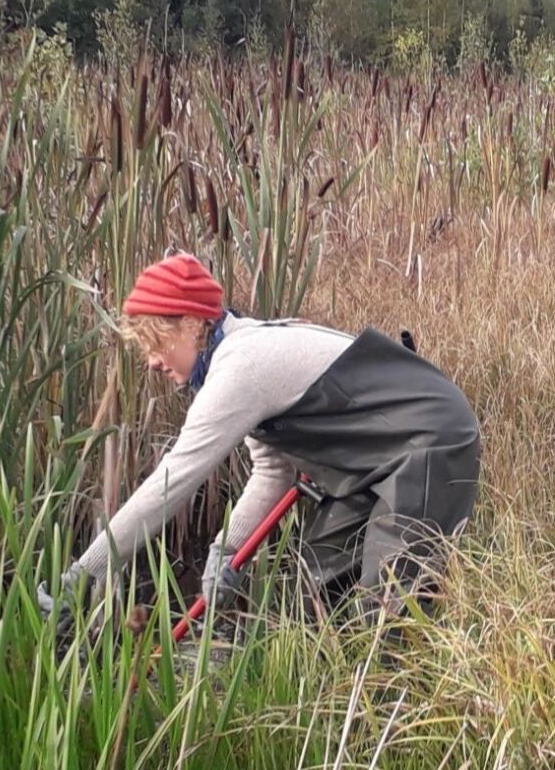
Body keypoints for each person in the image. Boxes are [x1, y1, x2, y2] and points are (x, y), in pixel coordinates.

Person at [39, 253, 483, 623]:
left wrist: (84, 572)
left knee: (388, 606)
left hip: (430, 439)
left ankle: (390, 715)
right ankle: (335, 707)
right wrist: (226, 549)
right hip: (377, 460)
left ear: (194, 324)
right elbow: (273, 471)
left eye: (157, 342)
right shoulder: (238, 358)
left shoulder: (241, 366)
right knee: (318, 583)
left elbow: (170, 486)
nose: (153, 361)